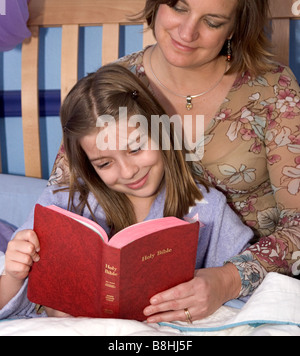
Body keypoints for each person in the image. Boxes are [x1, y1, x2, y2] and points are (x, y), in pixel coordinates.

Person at [48, 0, 300, 322]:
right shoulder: (114, 86)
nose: (186, 33)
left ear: (236, 27)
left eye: (212, 22)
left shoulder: (273, 90)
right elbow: (64, 202)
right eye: (178, 8)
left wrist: (227, 280)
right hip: (145, 292)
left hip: (253, 284)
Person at [0, 64, 253, 322]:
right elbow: (9, 303)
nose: (129, 171)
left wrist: (216, 289)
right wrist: (13, 275)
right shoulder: (62, 204)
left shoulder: (207, 206)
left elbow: (249, 281)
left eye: (135, 149)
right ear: (88, 164)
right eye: (105, 164)